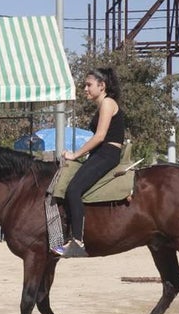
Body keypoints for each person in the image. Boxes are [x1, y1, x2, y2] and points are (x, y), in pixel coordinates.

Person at [54, 67, 126, 258]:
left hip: (107, 153)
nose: (85, 89)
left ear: (102, 86)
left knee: (74, 190)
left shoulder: (108, 103)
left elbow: (100, 136)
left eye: (89, 85)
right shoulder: (103, 104)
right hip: (99, 154)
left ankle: (77, 241)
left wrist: (75, 155)